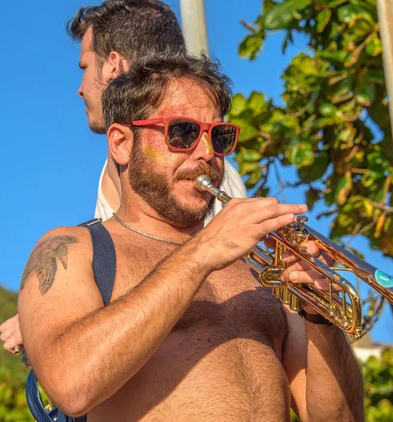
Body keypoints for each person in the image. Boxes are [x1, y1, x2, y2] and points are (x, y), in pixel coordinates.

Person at [18, 52, 364, 421]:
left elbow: (339, 418)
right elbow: (70, 384)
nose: (207, 153)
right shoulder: (75, 249)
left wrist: (319, 316)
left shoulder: (261, 271)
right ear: (121, 143)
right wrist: (202, 251)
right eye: (182, 132)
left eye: (219, 135)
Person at [0, 0, 247, 355]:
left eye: (84, 67)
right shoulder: (119, 173)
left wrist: (67, 316)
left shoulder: (202, 174)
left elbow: (222, 295)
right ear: (120, 144)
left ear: (112, 66)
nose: (81, 88)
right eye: (181, 133)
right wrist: (58, 309)